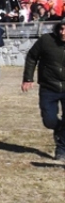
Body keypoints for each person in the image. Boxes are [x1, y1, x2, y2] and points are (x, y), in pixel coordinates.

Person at [23, 22, 65, 160]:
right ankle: (59, 129)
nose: (63, 32)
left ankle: (61, 150)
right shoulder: (46, 40)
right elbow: (32, 57)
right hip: (48, 87)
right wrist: (28, 78)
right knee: (49, 121)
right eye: (62, 28)